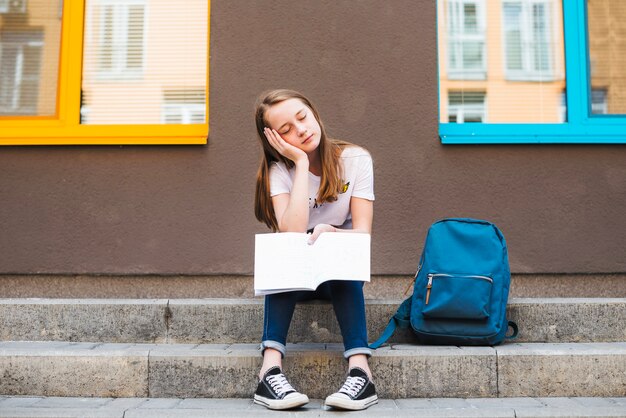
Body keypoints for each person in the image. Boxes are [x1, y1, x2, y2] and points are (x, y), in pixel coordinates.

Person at [252, 89, 378, 411]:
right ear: (275, 141)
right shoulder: (279, 171)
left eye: (302, 117)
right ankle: (270, 372)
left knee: (341, 249)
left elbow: (362, 232)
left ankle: (361, 373)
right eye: (286, 131)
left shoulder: (355, 159)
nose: (301, 129)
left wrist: (334, 234)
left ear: (313, 112)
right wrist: (301, 162)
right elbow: (291, 231)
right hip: (296, 276)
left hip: (338, 272)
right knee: (285, 252)